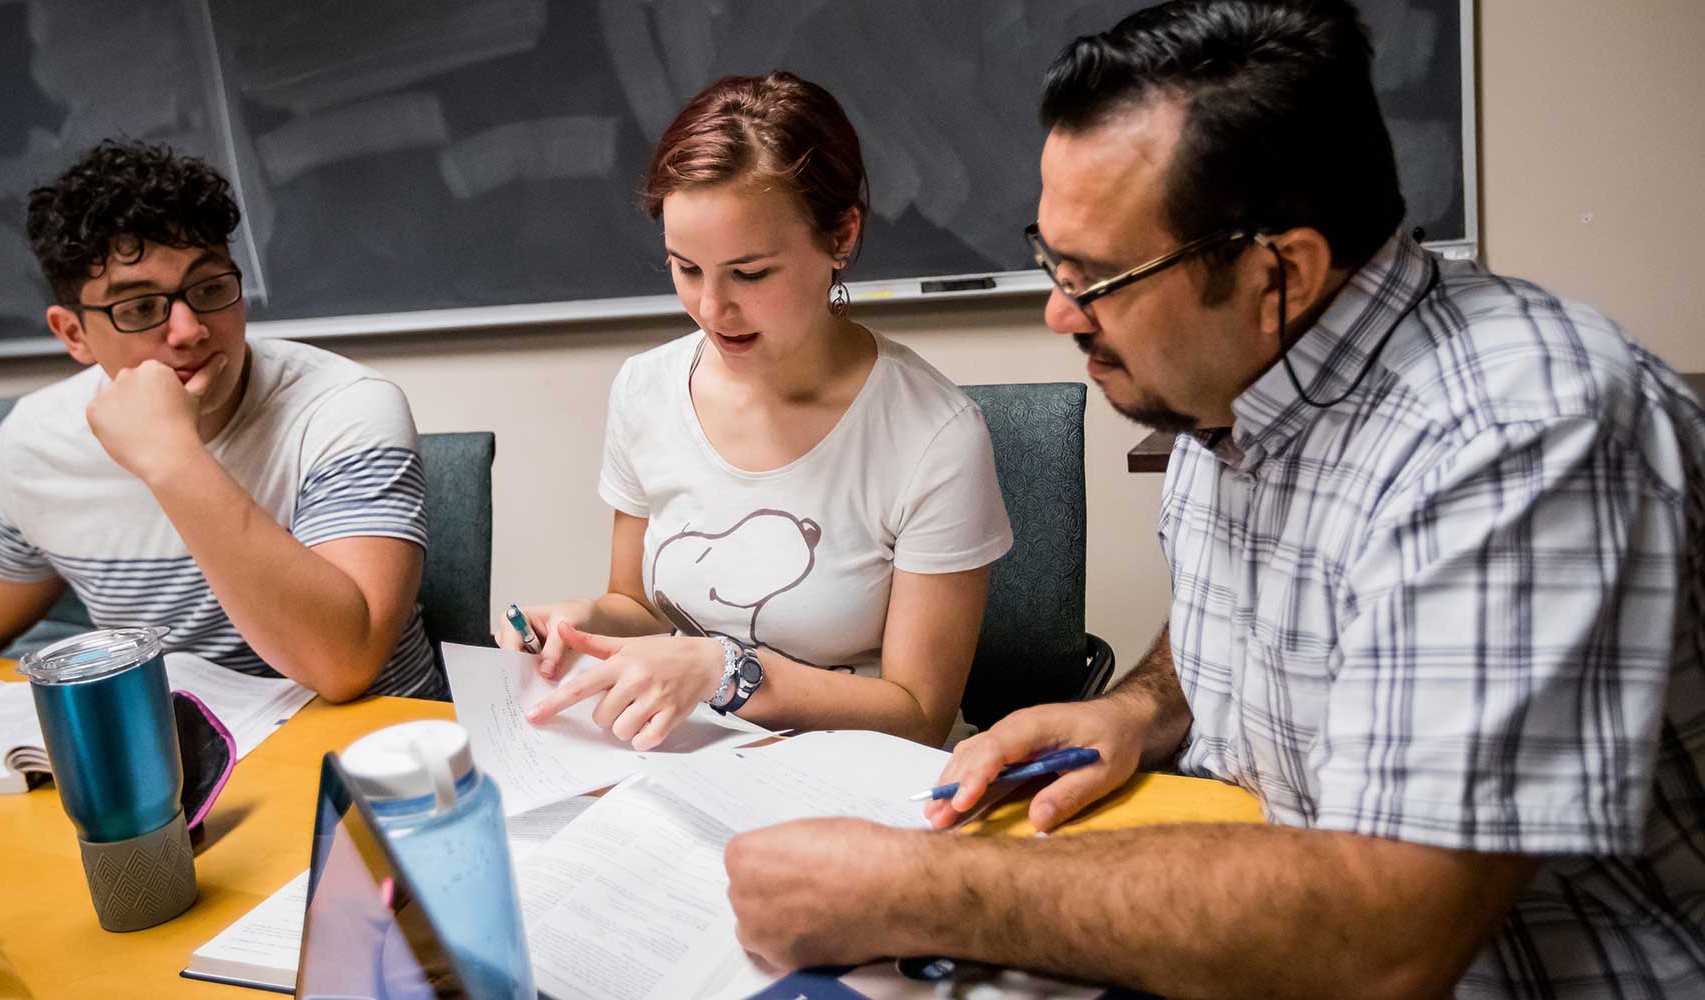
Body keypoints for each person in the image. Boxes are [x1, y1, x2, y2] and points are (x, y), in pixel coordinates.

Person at [723, 2, 1705, 996]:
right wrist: (1139, 713)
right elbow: (1260, 620)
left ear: (1278, 270)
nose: (1060, 310)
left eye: (1097, 277)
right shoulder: (1230, 371)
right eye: (1051, 258)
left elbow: (1389, 933)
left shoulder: (1519, 434)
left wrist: (920, 888)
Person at [0, 140, 443, 707]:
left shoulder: (344, 406)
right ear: (73, 332)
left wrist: (172, 458)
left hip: (376, 753)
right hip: (185, 756)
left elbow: (342, 663)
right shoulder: (37, 439)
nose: (188, 331)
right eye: (140, 307)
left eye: (211, 288)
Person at [497, 72, 1013, 749]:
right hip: (690, 762)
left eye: (751, 273)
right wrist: (572, 622)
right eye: (685, 269)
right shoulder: (645, 390)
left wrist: (725, 671)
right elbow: (640, 609)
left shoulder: (932, 436)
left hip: (859, 785)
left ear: (841, 238)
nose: (713, 310)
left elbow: (919, 714)